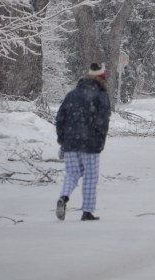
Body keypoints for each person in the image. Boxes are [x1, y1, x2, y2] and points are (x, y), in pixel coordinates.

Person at [55, 62, 111, 221]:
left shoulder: (72, 94)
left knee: (72, 173)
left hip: (71, 142)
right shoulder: (101, 95)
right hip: (91, 142)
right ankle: (87, 211)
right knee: (90, 176)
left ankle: (64, 197)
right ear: (102, 78)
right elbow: (103, 121)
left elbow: (60, 117)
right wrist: (100, 140)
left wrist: (62, 139)